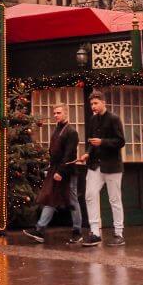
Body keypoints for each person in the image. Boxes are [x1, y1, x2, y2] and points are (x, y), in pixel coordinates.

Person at [23, 104, 82, 244]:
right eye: (54, 113)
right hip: (55, 169)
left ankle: (77, 231)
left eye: (59, 113)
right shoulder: (57, 130)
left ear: (66, 113)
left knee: (72, 200)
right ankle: (40, 229)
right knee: (50, 198)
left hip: (67, 171)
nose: (56, 115)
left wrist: (60, 171)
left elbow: (69, 154)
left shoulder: (71, 132)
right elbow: (54, 152)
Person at [77, 90, 126, 247]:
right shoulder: (92, 120)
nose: (93, 106)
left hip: (112, 165)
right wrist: (86, 154)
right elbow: (91, 142)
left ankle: (119, 233)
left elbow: (120, 141)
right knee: (90, 195)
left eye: (96, 103)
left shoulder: (114, 119)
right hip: (95, 164)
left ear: (104, 102)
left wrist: (103, 142)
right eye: (91, 104)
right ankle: (95, 232)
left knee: (114, 199)